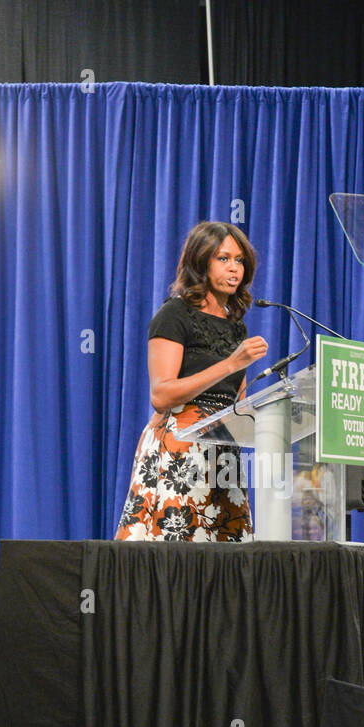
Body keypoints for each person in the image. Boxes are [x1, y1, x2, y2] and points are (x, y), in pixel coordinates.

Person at [115, 221, 268, 541]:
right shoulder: (175, 314)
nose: (234, 268)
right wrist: (231, 363)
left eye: (240, 261)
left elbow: (235, 401)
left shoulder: (235, 327)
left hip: (223, 451)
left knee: (226, 556)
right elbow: (161, 394)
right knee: (178, 549)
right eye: (223, 258)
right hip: (180, 447)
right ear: (201, 262)